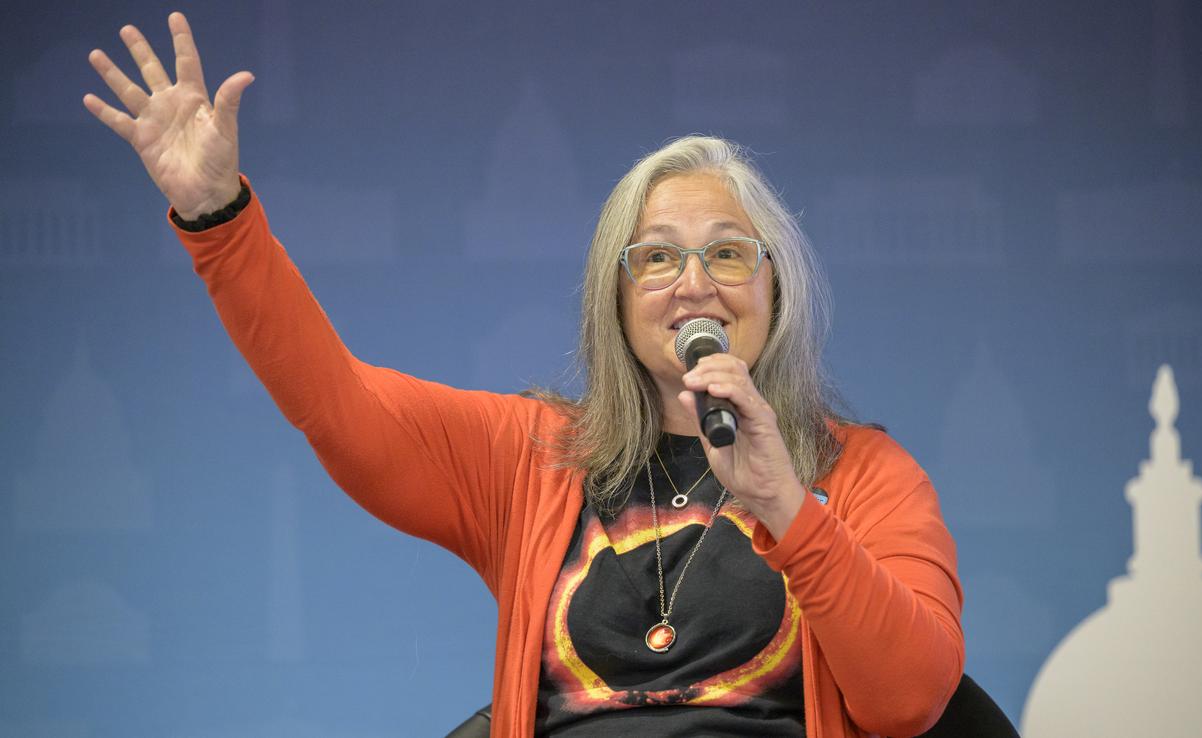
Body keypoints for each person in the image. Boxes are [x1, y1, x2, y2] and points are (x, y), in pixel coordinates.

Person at [84, 12, 963, 737]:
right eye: (658, 258)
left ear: (776, 289)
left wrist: (786, 504)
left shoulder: (866, 476)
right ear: (616, 298)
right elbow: (336, 403)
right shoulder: (533, 460)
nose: (695, 283)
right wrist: (220, 219)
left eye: (728, 254)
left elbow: (912, 701)